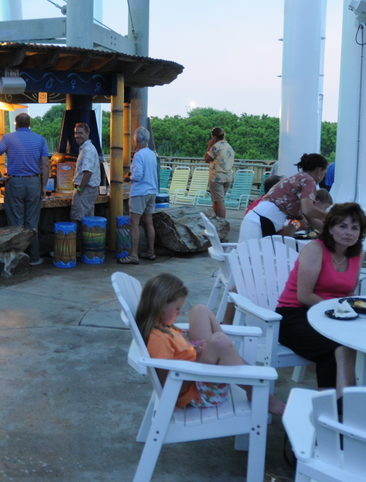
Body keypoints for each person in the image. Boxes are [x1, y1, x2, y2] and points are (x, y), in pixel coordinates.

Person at [135, 273, 285, 416]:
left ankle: (228, 357)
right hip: (199, 391)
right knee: (219, 341)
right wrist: (198, 359)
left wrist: (194, 349)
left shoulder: (163, 326)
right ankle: (255, 390)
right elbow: (168, 385)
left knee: (201, 310)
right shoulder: (158, 340)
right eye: (177, 308)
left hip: (196, 367)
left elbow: (178, 350)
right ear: (161, 306)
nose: (180, 313)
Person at [276, 203, 366, 396]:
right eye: (343, 226)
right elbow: (304, 296)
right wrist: (339, 310)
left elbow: (348, 292)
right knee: (338, 345)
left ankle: (336, 401)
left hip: (333, 316)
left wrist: (360, 307)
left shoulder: (357, 254)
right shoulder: (316, 249)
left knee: (364, 340)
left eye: (355, 228)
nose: (349, 232)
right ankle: (339, 401)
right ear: (330, 228)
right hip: (295, 314)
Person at [0, 113, 50, 266]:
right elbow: (46, 164)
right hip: (34, 182)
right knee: (32, 223)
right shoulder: (40, 139)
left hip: (14, 182)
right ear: (29, 124)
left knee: (16, 223)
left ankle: (17, 260)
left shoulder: (7, 138)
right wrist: (43, 186)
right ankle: (34, 258)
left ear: (16, 123)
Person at [239, 153, 329, 242]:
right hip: (260, 222)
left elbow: (308, 216)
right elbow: (308, 210)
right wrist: (331, 215)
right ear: (320, 170)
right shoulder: (309, 180)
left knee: (250, 251)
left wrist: (329, 233)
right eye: (325, 172)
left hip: (259, 220)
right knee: (251, 251)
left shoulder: (300, 177)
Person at [119, 126, 159, 265]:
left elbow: (137, 175)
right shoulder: (152, 154)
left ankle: (134, 255)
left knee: (134, 223)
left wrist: (128, 177)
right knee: (149, 222)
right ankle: (150, 251)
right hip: (152, 191)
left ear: (136, 140)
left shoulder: (138, 155)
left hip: (140, 192)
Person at [70, 123, 101, 251]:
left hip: (85, 190)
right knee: (86, 221)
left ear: (87, 134)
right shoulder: (87, 148)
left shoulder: (87, 150)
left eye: (80, 133)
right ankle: (86, 251)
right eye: (76, 133)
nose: (77, 136)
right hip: (89, 190)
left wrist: (80, 189)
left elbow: (87, 172)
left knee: (76, 220)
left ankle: (71, 251)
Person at [203, 127, 234, 218]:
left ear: (214, 136)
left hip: (217, 177)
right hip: (228, 177)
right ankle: (215, 221)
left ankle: (221, 222)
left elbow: (206, 159)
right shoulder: (229, 147)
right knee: (217, 201)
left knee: (219, 202)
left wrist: (209, 145)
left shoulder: (216, 147)